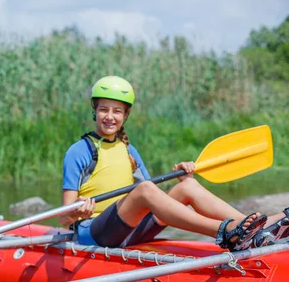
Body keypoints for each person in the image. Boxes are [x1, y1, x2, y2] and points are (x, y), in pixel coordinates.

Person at [58, 75, 288, 251]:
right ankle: (226, 231)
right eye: (103, 110)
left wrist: (183, 179)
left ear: (126, 115)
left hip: (130, 228)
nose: (110, 116)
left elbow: (153, 200)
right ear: (95, 111)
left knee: (186, 187)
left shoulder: (129, 150)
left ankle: (257, 230)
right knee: (145, 189)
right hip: (95, 232)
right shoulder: (79, 151)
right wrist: (78, 210)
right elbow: (64, 217)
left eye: (117, 111)